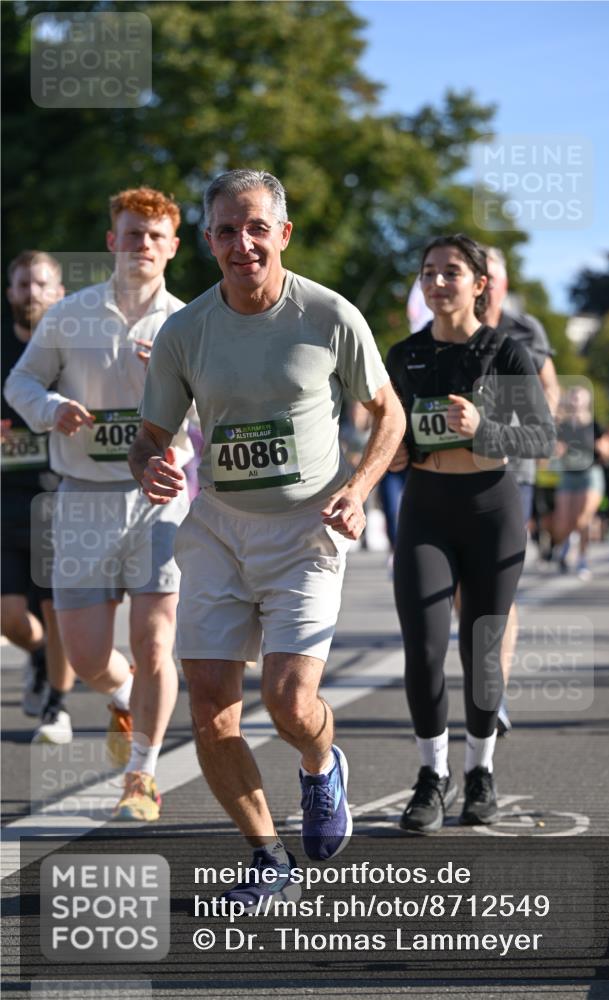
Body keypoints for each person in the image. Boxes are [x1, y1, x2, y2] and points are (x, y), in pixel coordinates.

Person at [129, 169, 405, 909]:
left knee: (287, 701)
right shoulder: (184, 332)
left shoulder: (329, 315)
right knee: (210, 705)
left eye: (256, 227)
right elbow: (150, 433)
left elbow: (388, 414)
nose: (241, 243)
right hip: (217, 529)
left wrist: (359, 487)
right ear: (209, 241)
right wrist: (151, 463)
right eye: (226, 229)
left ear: (282, 233)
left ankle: (320, 765)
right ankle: (264, 853)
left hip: (306, 530)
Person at [4, 188, 192, 820]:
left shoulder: (187, 322)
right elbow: (21, 381)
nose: (142, 245)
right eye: (131, 234)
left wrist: (171, 398)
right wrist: (53, 408)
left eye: (155, 236)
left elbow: (215, 414)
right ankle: (126, 696)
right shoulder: (69, 314)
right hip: (81, 497)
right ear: (112, 241)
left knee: (155, 641)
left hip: (156, 496)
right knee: (85, 656)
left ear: (172, 247)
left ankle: (141, 771)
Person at [386, 234, 555, 833]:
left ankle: (480, 770)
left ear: (479, 283)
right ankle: (432, 776)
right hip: (427, 509)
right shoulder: (403, 355)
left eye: (450, 272)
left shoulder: (503, 351)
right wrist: (395, 454)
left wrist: (485, 426)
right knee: (425, 649)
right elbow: (386, 435)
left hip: (491, 510)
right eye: (428, 271)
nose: (436, 282)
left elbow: (539, 437)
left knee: (482, 653)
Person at [483, 248, 560, 736]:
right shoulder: (449, 330)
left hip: (517, 472)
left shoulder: (527, 329)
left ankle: (493, 692)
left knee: (498, 589)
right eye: (479, 276)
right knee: (467, 598)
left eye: (493, 276)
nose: (486, 285)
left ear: (504, 282)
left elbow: (550, 388)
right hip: (456, 471)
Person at [1, 250, 76, 743]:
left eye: (41, 284)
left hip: (58, 500)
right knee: (10, 617)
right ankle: (39, 656)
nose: (32, 293)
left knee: (57, 612)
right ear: (11, 293)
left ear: (59, 293)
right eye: (23, 285)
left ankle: (57, 707)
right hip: (5, 502)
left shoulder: (75, 352)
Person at [551, 385, 605, 579]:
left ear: (586, 402)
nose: (575, 401)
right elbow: (554, 450)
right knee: (564, 520)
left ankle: (582, 559)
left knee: (583, 518)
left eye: (578, 398)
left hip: (590, 473)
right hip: (568, 474)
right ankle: (567, 543)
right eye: (572, 397)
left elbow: (607, 450)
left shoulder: (594, 425)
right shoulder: (563, 426)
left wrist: (598, 447)